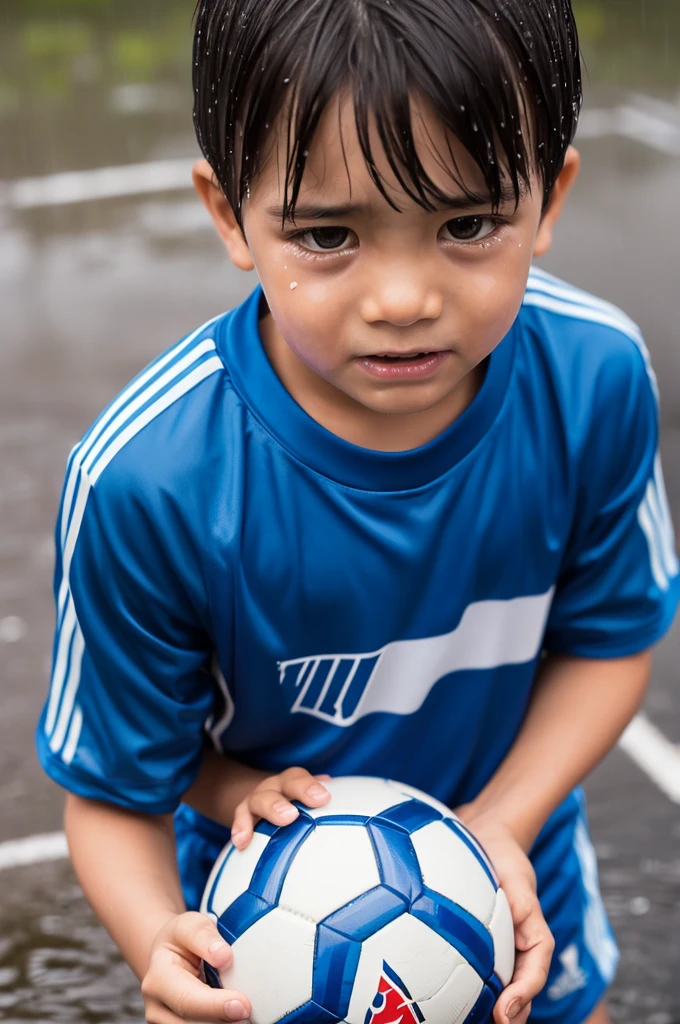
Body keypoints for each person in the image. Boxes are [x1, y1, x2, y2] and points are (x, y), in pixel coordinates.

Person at [36, 1, 679, 1023]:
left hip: (514, 873)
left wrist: (495, 826)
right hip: (266, 932)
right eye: (327, 234)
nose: (401, 296)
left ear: (549, 194)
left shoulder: (592, 376)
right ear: (229, 215)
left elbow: (608, 644)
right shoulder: (149, 478)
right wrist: (158, 936)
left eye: (465, 224)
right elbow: (116, 791)